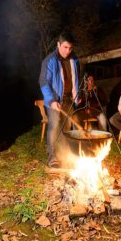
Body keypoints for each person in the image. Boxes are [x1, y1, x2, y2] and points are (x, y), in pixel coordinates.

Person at [39, 33, 80, 168]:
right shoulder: (49, 60)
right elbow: (44, 82)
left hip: (68, 99)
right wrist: (51, 100)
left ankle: (64, 154)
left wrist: (76, 95)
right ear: (58, 44)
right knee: (55, 124)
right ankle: (52, 156)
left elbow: (75, 80)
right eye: (65, 47)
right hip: (54, 100)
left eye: (70, 48)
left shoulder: (74, 60)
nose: (67, 51)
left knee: (67, 127)